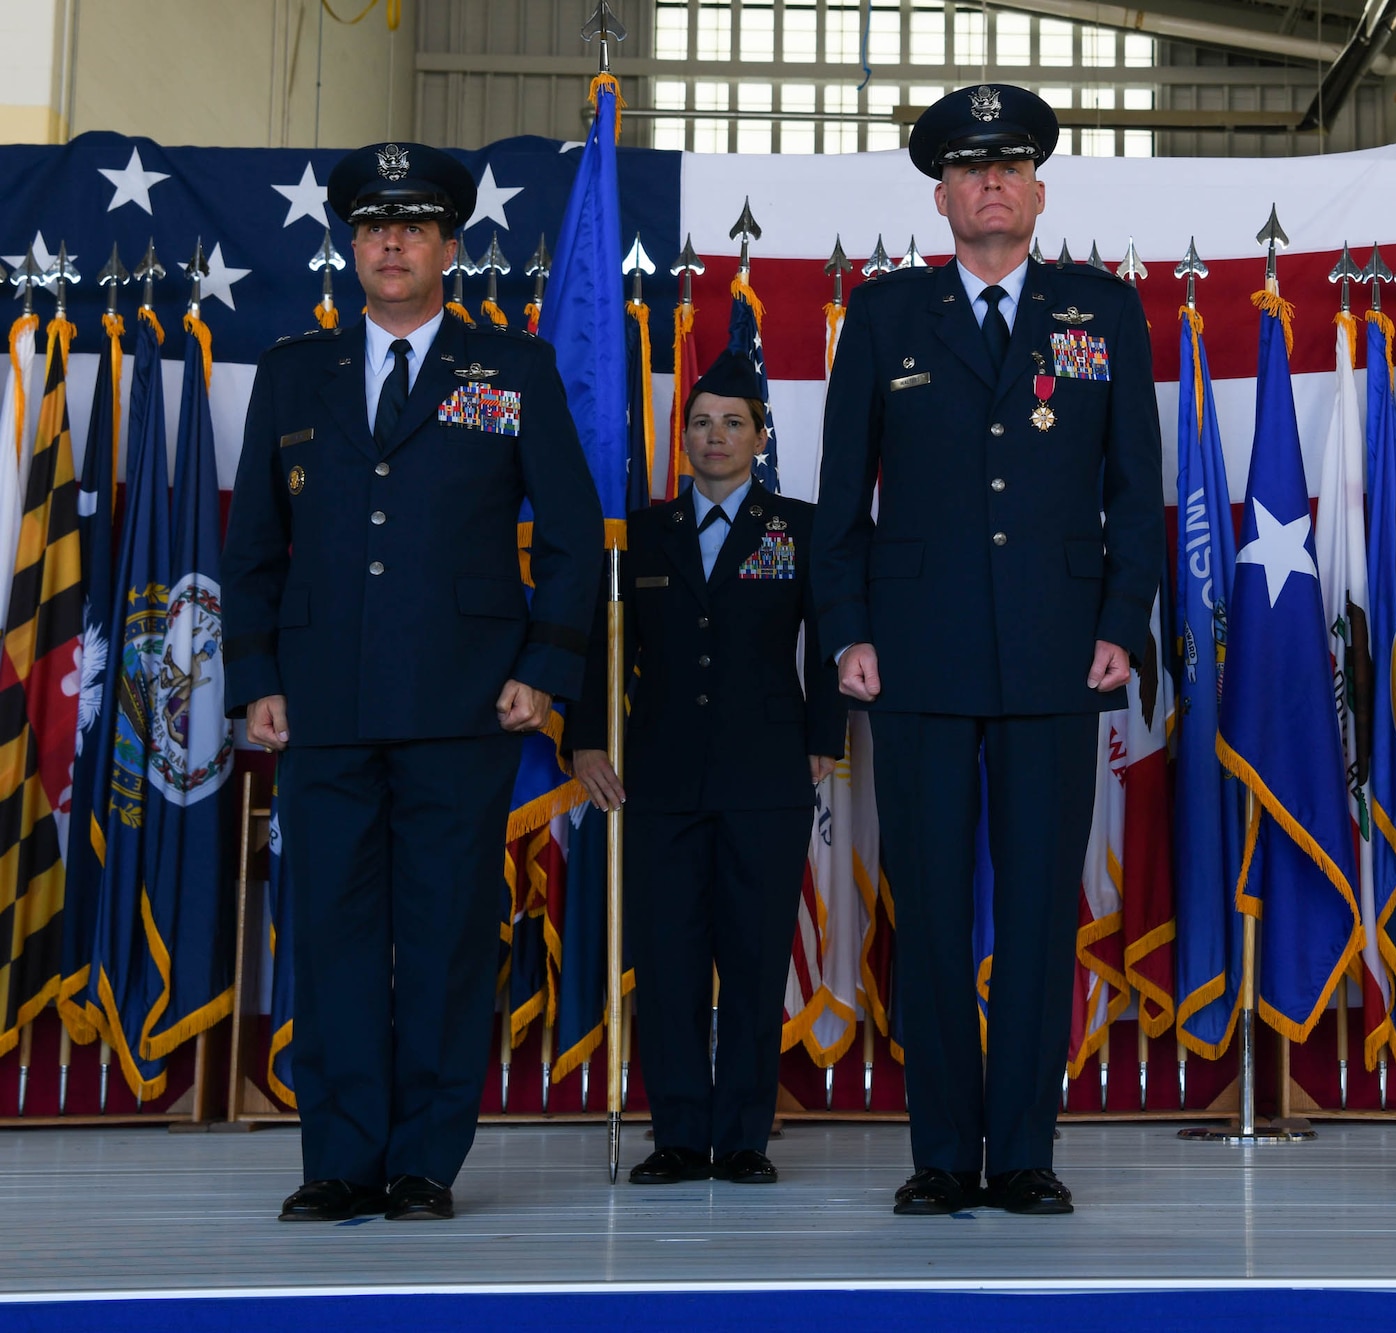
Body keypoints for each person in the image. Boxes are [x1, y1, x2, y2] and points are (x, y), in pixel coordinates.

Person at [220, 142, 603, 1223]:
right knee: (332, 932)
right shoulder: (297, 372)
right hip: (324, 700)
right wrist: (255, 675)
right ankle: (339, 1158)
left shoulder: (512, 370)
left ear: (448, 245)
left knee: (441, 935)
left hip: (464, 697)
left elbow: (572, 538)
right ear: (351, 244)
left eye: (416, 225)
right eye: (375, 226)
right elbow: (255, 540)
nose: (393, 243)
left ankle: (426, 1159)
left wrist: (544, 668)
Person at [814, 84, 1163, 1216]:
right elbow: (837, 500)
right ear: (942, 195)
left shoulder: (1100, 310)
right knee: (925, 902)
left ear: (1038, 191)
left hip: (1060, 654)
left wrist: (1120, 622)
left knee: (1034, 915)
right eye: (970, 170)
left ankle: (1019, 1151)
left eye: (1008, 167)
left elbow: (1134, 489)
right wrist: (849, 629)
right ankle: (936, 1155)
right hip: (912, 654)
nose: (991, 184)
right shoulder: (882, 315)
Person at [568, 351, 844, 1187]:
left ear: (760, 438)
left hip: (767, 775)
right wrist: (585, 738)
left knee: (756, 959)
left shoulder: (798, 527)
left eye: (733, 423)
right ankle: (681, 1134)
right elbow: (598, 646)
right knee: (671, 956)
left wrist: (828, 733)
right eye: (700, 422)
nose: (714, 436)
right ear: (680, 435)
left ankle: (745, 1137)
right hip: (658, 774)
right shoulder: (642, 534)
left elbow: (831, 636)